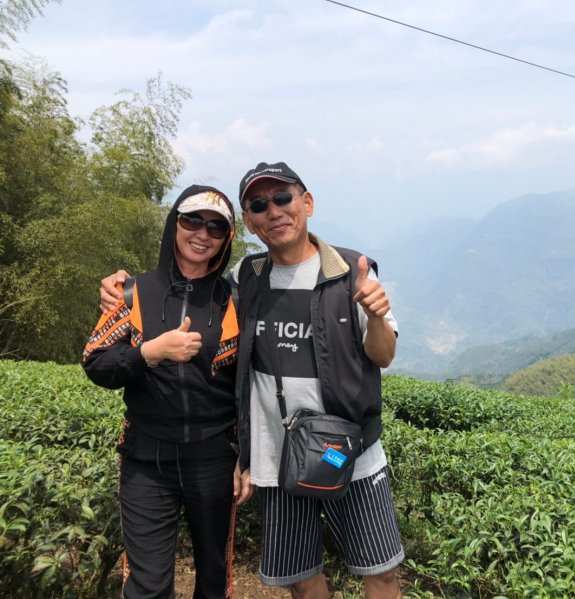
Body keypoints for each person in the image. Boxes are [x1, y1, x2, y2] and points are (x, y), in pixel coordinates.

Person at [100, 163, 403, 598]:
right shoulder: (246, 279)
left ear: (307, 203)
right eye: (259, 205)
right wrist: (123, 288)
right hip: (279, 457)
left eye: (283, 198)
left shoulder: (348, 271)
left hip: (350, 451)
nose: (273, 211)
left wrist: (374, 315)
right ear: (250, 222)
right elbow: (191, 288)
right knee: (301, 578)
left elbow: (384, 354)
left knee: (381, 572)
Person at [85, 185, 252, 599]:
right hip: (146, 459)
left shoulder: (235, 301)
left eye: (216, 226)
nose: (202, 233)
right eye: (192, 220)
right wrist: (148, 353)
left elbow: (250, 386)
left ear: (226, 239)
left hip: (214, 458)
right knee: (146, 585)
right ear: (174, 224)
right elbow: (96, 362)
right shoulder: (132, 292)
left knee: (214, 582)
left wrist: (246, 458)